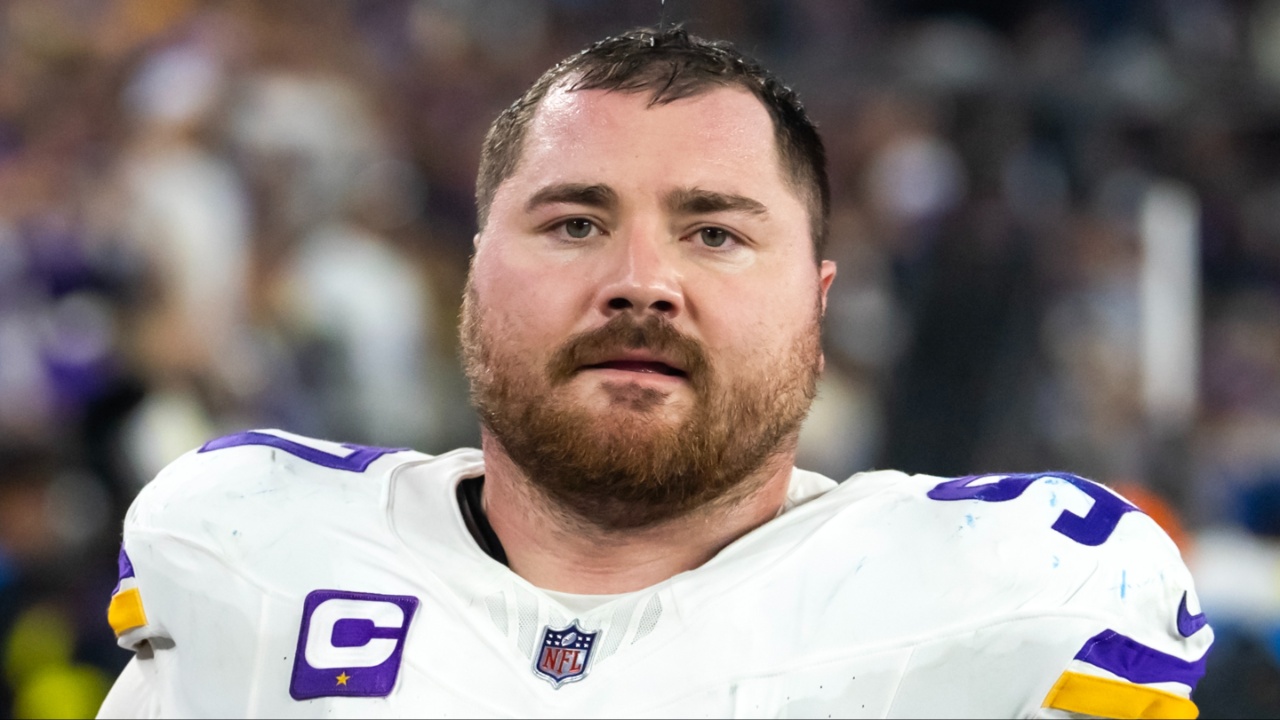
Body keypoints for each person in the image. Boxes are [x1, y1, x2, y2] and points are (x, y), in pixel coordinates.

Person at [98, 27, 1211, 718]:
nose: (641, 282)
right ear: (472, 274)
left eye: (714, 234)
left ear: (815, 302)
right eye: (576, 224)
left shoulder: (1013, 598)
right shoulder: (249, 553)